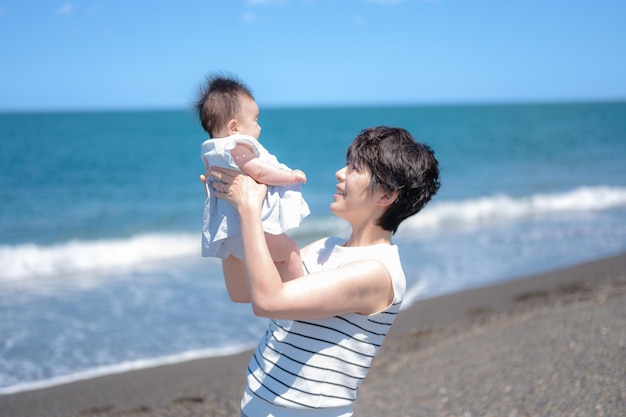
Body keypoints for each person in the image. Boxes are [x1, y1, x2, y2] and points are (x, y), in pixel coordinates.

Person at [202, 126, 440, 417]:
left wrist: (249, 209)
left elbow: (269, 302)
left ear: (386, 194)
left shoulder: (376, 271)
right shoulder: (324, 247)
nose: (340, 173)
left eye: (354, 169)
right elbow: (242, 291)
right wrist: (226, 209)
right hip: (256, 401)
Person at [195, 74, 310, 282]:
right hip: (250, 228)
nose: (259, 127)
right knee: (291, 252)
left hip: (229, 234)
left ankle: (282, 292)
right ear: (234, 128)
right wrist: (290, 176)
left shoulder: (211, 152)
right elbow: (260, 172)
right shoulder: (236, 146)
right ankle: (299, 298)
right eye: (255, 120)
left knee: (273, 266)